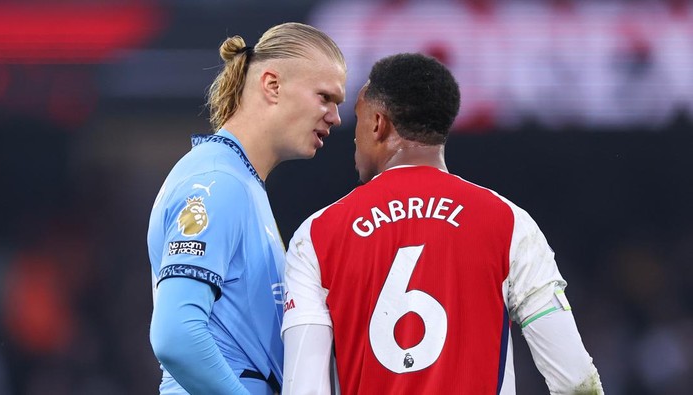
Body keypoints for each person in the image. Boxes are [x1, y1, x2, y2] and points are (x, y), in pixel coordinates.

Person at [281, 53, 603, 394]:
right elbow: (575, 379)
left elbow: (303, 387)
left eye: (358, 119)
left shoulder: (318, 235)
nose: (354, 137)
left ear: (378, 122)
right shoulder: (509, 223)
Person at [147, 22, 346, 395]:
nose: (335, 117)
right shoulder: (217, 182)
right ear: (272, 85)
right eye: (325, 97)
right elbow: (176, 335)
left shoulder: (240, 182)